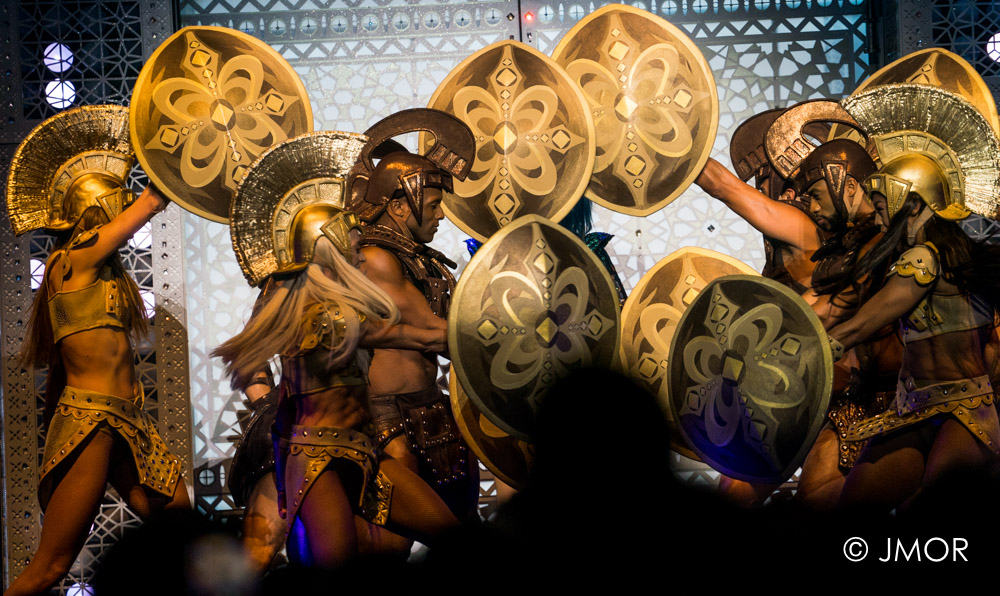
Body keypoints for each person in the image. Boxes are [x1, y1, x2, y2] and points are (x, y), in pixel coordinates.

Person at [215, 131, 458, 567]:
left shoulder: (352, 303)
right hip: (316, 457)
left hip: (365, 450)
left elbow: (420, 334)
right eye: (349, 238)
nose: (359, 244)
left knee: (451, 536)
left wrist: (487, 338)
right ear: (323, 246)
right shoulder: (299, 307)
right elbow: (409, 335)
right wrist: (267, 403)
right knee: (336, 572)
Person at [4, 105, 190, 596]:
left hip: (130, 423)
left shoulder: (103, 274)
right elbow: (149, 204)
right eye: (117, 199)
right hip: (92, 423)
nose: (124, 205)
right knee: (51, 567)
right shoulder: (72, 263)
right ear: (95, 210)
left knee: (184, 539)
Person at [829, 84, 1000, 511]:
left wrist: (814, 349)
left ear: (913, 197)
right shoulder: (943, 254)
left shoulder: (925, 257)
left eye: (883, 200)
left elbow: (865, 322)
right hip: (915, 409)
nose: (877, 210)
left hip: (963, 411)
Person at [348, 111, 480, 521]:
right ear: (401, 206)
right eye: (435, 204)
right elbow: (436, 332)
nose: (441, 215)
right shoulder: (377, 257)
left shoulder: (420, 260)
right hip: (390, 421)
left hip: (430, 409)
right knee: (390, 549)